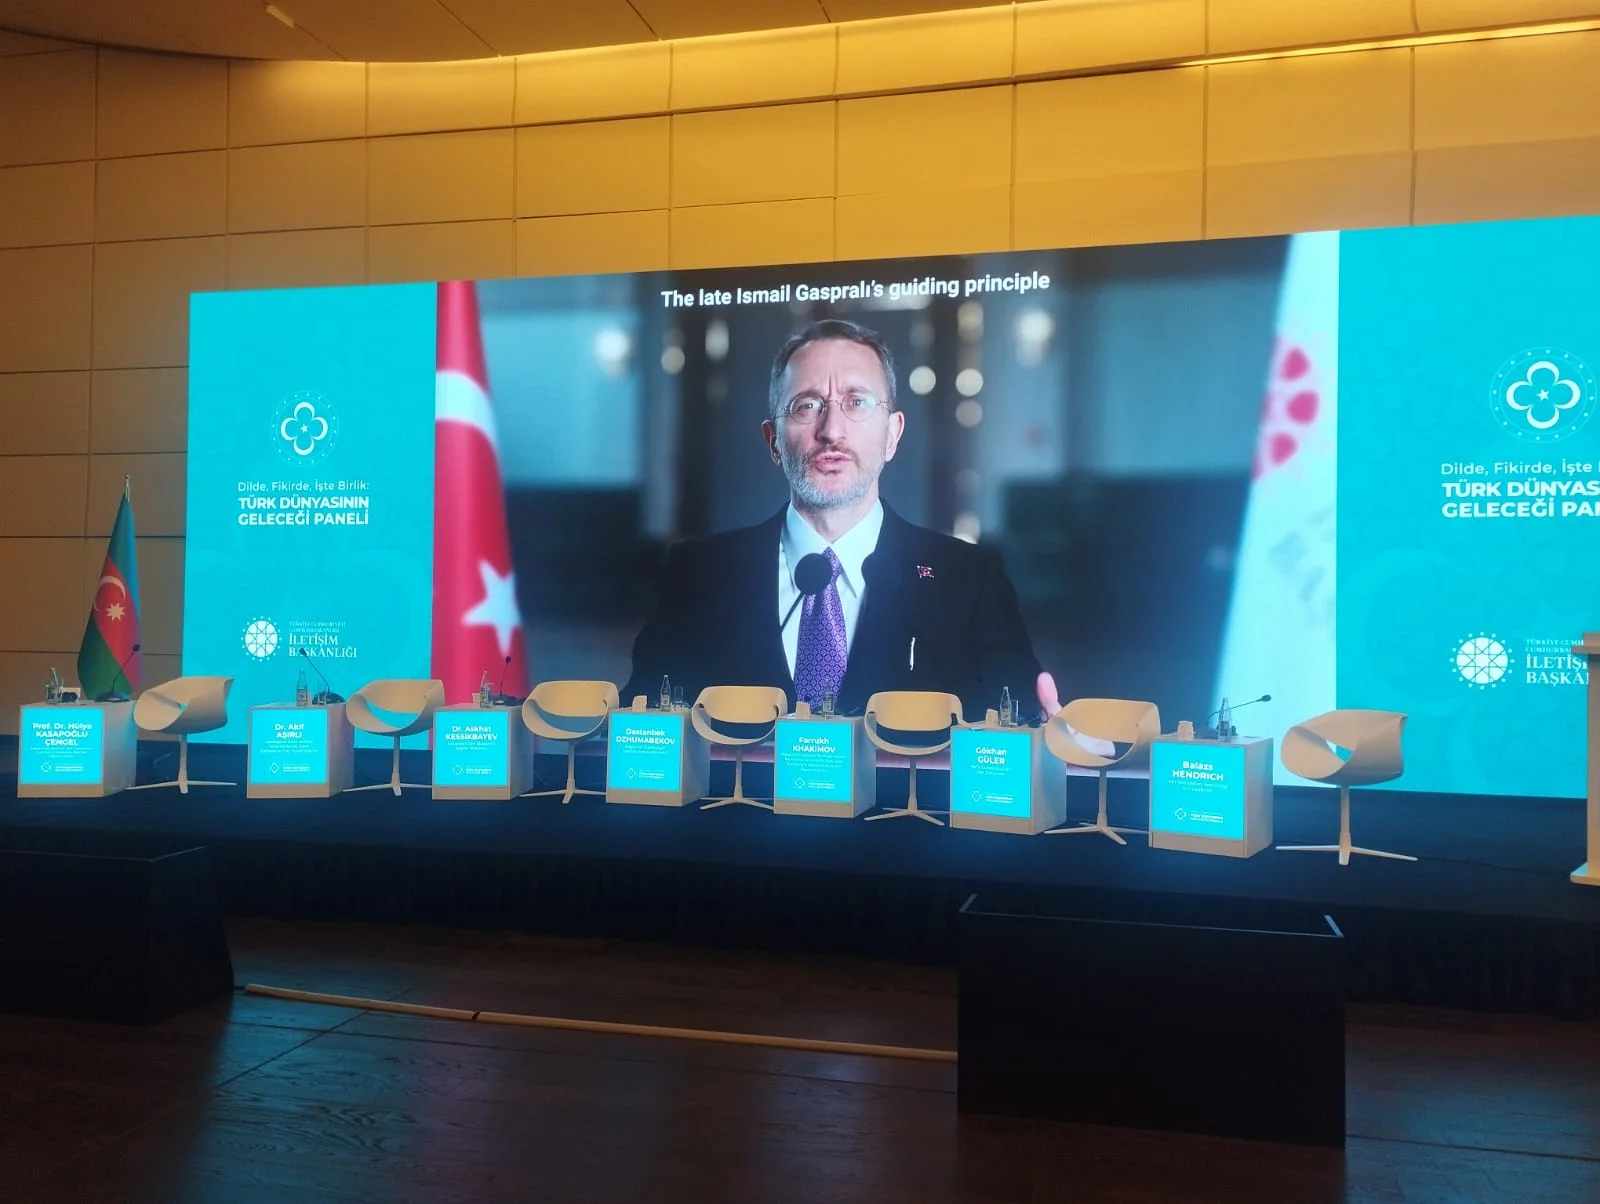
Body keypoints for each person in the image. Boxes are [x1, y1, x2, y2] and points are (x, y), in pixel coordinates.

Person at [623, 318, 1061, 722]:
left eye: (856, 402)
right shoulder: (696, 576)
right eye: (807, 405)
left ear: (892, 435)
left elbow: (1016, 732)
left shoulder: (970, 580)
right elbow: (642, 729)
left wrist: (1052, 743)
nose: (832, 430)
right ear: (773, 441)